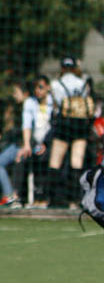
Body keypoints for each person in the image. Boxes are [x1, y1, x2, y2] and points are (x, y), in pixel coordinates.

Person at [48, 56, 93, 207]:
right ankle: (75, 199)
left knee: (55, 162)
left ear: (62, 67)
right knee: (77, 162)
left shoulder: (55, 84)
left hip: (63, 124)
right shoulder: (82, 83)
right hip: (79, 125)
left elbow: (54, 105)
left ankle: (55, 199)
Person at [17, 76, 52, 207]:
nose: (38, 90)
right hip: (36, 141)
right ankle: (24, 197)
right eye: (35, 87)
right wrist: (26, 144)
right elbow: (26, 125)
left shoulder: (53, 102)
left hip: (50, 141)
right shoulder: (30, 102)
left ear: (48, 87)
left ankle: (46, 197)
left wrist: (46, 144)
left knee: (47, 159)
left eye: (41, 87)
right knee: (27, 157)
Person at [0, 82, 29, 206]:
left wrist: (23, 147)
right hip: (15, 145)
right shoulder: (16, 108)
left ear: (25, 94)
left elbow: (26, 132)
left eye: (16, 92)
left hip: (22, 146)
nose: (14, 95)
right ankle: (9, 195)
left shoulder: (28, 108)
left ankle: (10, 195)